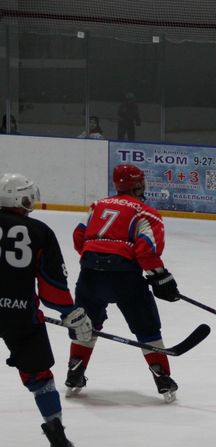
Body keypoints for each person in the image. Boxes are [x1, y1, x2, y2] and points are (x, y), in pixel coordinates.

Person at [65, 164, 182, 402]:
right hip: (125, 279)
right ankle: (162, 377)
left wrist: (96, 260)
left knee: (86, 324)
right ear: (139, 184)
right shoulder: (146, 212)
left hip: (89, 275)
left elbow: (79, 238)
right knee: (147, 327)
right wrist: (161, 277)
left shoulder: (97, 206)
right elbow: (146, 251)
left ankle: (75, 371)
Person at [0, 173, 93, 447]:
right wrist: (71, 313)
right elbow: (52, 286)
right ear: (22, 199)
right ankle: (55, 428)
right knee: (41, 377)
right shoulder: (39, 231)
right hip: (20, 316)